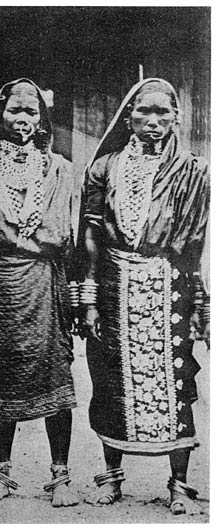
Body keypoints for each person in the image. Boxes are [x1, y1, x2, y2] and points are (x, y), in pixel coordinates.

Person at [79, 78, 209, 515]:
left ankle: (179, 484)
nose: (152, 123)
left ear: (176, 117)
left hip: (169, 287)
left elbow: (194, 246)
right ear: (128, 117)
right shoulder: (104, 168)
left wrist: (197, 305)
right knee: (109, 380)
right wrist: (91, 298)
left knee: (176, 381)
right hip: (115, 282)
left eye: (162, 114)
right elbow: (92, 237)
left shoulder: (193, 170)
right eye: (143, 113)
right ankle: (113, 478)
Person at [0, 79, 79, 507]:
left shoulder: (59, 169)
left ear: (43, 118)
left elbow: (60, 235)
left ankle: (61, 476)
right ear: (0, 116)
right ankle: (2, 473)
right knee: (2, 380)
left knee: (54, 375)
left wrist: (25, 244)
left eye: (32, 112)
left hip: (43, 283)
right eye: (15, 111)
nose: (23, 120)